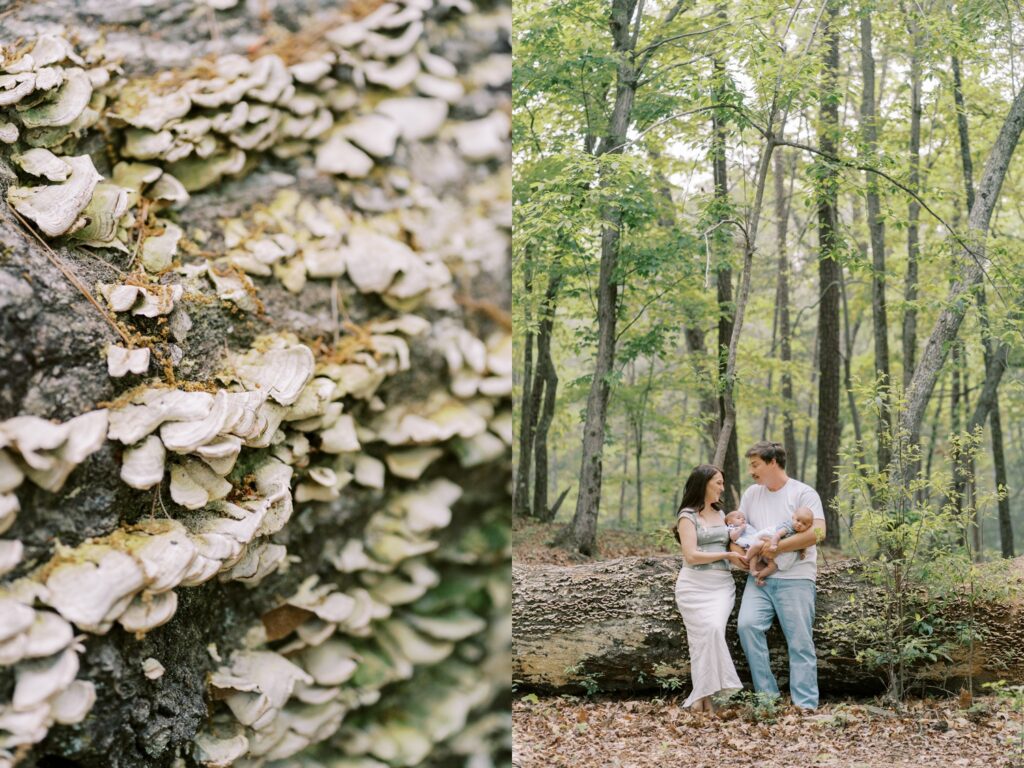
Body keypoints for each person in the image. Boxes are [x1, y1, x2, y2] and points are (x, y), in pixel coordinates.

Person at [736, 441, 826, 710]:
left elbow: (819, 533)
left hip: (796, 578)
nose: (751, 471)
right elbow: (739, 528)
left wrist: (774, 548)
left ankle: (806, 704)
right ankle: (767, 698)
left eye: (755, 465)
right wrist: (742, 554)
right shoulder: (752, 494)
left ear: (773, 462)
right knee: (747, 626)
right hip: (760, 579)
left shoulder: (803, 493)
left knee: (799, 640)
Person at [673, 464, 747, 713]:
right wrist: (724, 553)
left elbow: (736, 541)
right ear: (703, 484)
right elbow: (691, 555)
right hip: (693, 586)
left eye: (722, 483)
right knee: (700, 640)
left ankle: (709, 696)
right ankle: (704, 698)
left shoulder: (721, 513)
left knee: (714, 629)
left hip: (720, 586)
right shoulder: (687, 516)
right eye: (718, 482)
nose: (722, 488)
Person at [728, 507, 814, 586]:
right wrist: (773, 545)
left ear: (809, 526)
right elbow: (777, 535)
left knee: (773, 567)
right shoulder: (788, 527)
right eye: (798, 520)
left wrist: (803, 553)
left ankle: (759, 577)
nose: (799, 524)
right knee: (757, 546)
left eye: (804, 524)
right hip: (770, 543)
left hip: (776, 556)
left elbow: (802, 545)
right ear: (793, 517)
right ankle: (748, 559)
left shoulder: (803, 534)